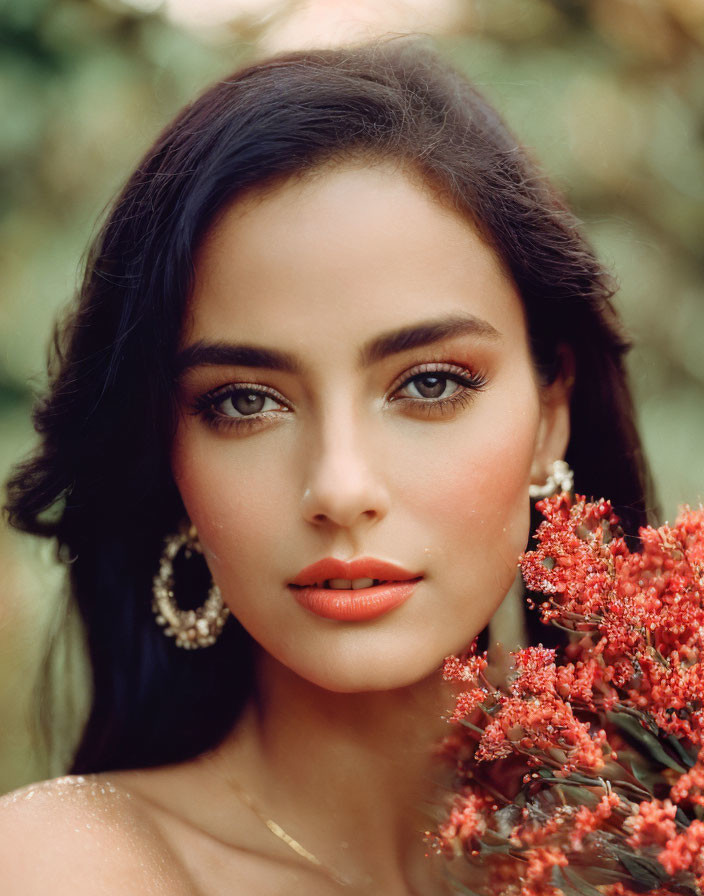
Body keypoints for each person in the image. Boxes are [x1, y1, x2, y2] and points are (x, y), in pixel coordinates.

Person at [0, 39, 654, 895]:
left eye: (428, 384)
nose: (340, 487)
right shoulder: (66, 865)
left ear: (550, 413)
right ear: (169, 454)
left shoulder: (654, 835)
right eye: (244, 401)